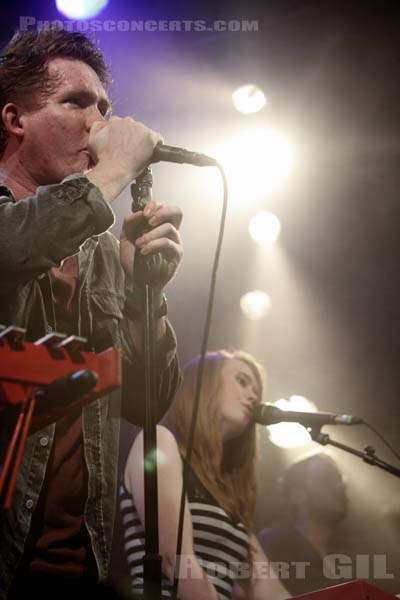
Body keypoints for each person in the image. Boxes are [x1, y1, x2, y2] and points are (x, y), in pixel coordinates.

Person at [0, 28, 183, 598]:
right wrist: (111, 174)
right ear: (14, 119)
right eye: (75, 102)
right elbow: (15, 247)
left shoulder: (98, 254)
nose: (98, 124)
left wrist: (142, 294)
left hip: (78, 570)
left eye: (104, 107)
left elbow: (144, 403)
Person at [121, 350, 290, 600]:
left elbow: (271, 592)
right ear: (204, 384)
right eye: (242, 381)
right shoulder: (158, 442)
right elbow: (176, 562)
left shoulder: (228, 498)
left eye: (257, 391)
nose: (254, 397)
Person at [258, 452, 348, 596]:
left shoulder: (347, 554)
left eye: (340, 480)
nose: (341, 486)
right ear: (297, 495)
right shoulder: (274, 543)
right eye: (326, 480)